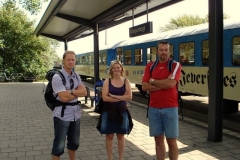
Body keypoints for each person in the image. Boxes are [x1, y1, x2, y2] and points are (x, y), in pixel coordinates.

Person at [142, 41, 181, 160]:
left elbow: (170, 84)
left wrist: (153, 81)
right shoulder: (150, 66)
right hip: (154, 109)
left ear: (169, 51)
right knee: (158, 140)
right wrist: (164, 83)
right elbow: (144, 87)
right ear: (157, 51)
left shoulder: (175, 65)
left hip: (170, 108)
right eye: (161, 50)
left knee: (172, 141)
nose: (163, 52)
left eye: (166, 50)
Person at [51, 50, 87, 160]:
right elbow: (64, 98)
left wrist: (70, 91)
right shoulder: (57, 77)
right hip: (62, 115)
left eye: (73, 60)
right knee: (59, 146)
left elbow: (85, 92)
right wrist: (76, 92)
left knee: (74, 143)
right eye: (68, 60)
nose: (71, 62)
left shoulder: (76, 76)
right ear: (63, 61)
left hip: (75, 114)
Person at [100, 60, 133, 160]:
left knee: (120, 136)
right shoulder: (107, 81)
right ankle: (110, 158)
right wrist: (122, 97)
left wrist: (114, 96)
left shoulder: (126, 81)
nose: (116, 69)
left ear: (121, 69)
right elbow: (105, 98)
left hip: (122, 111)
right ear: (111, 70)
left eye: (118, 67)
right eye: (114, 68)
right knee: (109, 135)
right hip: (108, 111)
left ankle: (120, 158)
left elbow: (130, 97)